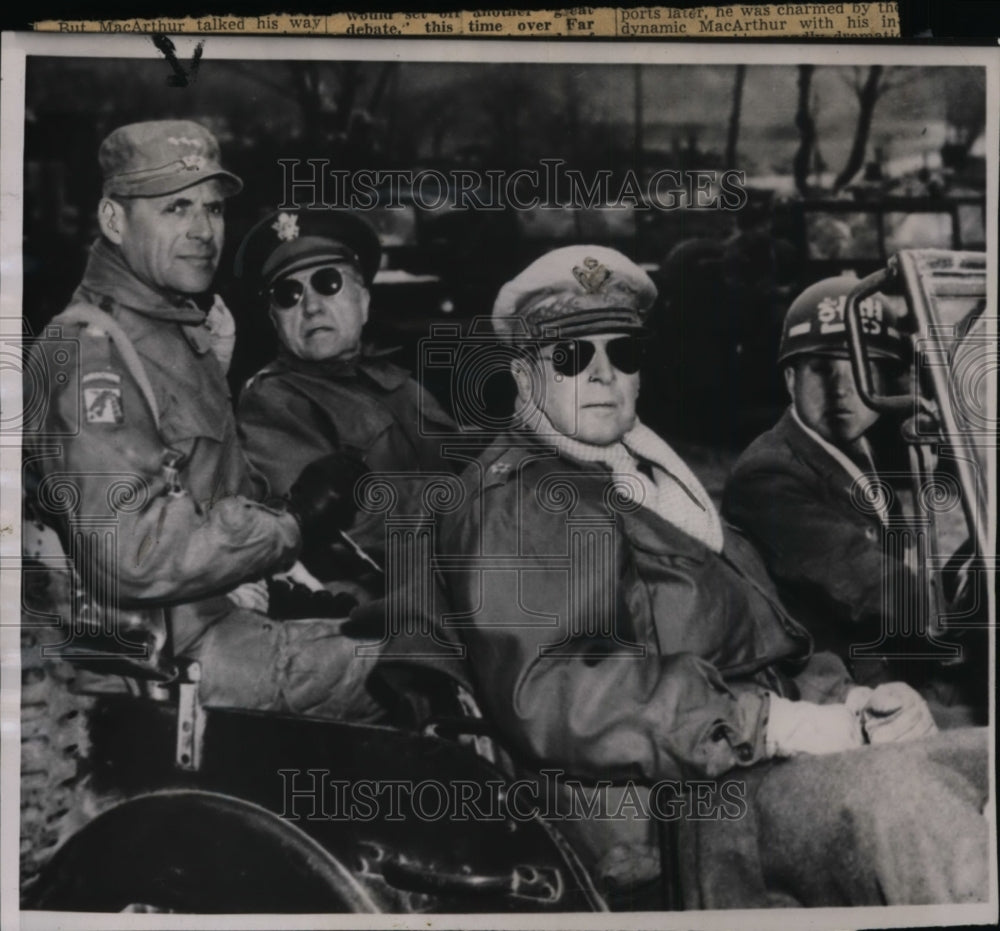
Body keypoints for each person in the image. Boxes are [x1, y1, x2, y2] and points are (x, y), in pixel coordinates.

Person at [377, 246, 988, 908]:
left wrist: (852, 702)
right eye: (573, 357)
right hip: (685, 806)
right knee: (913, 808)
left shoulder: (644, 479)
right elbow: (560, 693)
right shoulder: (524, 497)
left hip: (746, 763)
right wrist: (774, 724)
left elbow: (765, 639)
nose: (605, 374)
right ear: (525, 376)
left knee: (980, 754)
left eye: (623, 353)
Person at [26, 121, 382, 720]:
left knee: (424, 632)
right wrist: (292, 524)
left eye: (213, 210)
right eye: (175, 209)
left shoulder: (171, 330)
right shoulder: (91, 352)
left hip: (221, 614)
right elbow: (130, 555)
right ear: (115, 222)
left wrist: (302, 554)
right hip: (165, 665)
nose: (202, 231)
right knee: (424, 665)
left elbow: (211, 491)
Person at [722, 276, 984, 717]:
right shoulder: (767, 474)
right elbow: (863, 581)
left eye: (862, 368)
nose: (844, 388)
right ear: (790, 378)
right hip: (834, 688)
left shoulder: (863, 449)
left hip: (898, 661)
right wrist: (964, 610)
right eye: (822, 368)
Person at [235, 207, 458, 585]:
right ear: (275, 319)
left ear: (364, 301)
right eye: (288, 294)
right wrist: (475, 504)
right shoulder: (274, 401)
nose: (311, 306)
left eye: (328, 283)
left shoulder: (399, 384)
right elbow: (342, 530)